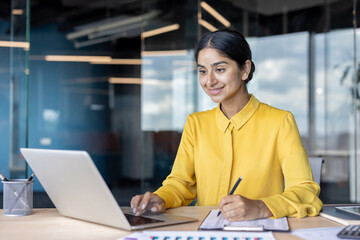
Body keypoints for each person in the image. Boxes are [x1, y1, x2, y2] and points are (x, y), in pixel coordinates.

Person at [131, 29, 323, 221]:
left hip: (259, 230)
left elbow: (304, 189)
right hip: (205, 232)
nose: (209, 81)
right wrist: (161, 198)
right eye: (203, 71)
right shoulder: (196, 124)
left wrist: (261, 207)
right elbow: (181, 184)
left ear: (245, 70)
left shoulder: (280, 122)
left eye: (220, 69)